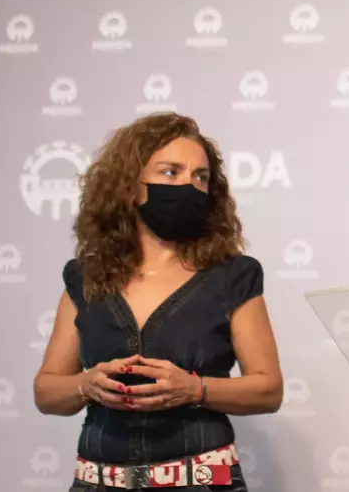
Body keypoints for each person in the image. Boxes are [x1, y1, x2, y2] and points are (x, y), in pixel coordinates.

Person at [33, 112, 283, 491]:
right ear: (130, 186)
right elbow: (47, 392)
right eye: (171, 172)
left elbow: (269, 389)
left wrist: (196, 389)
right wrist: (87, 384)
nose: (189, 185)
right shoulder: (87, 276)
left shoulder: (233, 275)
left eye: (200, 177)